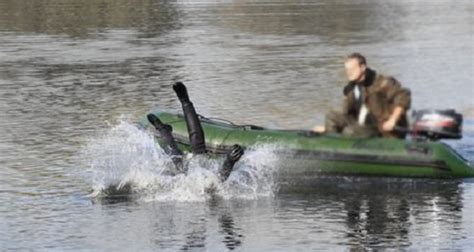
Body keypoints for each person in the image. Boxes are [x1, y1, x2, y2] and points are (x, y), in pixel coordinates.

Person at [147, 82, 244, 182]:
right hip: (196, 172)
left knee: (175, 156)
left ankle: (163, 128)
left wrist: (229, 162)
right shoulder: (204, 187)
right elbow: (219, 181)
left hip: (187, 174)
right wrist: (229, 162)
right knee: (196, 147)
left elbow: (216, 182)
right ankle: (184, 102)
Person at [314, 53, 411, 138]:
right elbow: (347, 114)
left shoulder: (381, 82)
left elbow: (403, 96)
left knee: (349, 131)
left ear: (363, 67)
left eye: (352, 69)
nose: (349, 72)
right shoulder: (351, 88)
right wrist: (328, 128)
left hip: (380, 128)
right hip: (363, 125)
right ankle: (331, 144)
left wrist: (392, 120)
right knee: (331, 116)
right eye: (347, 70)